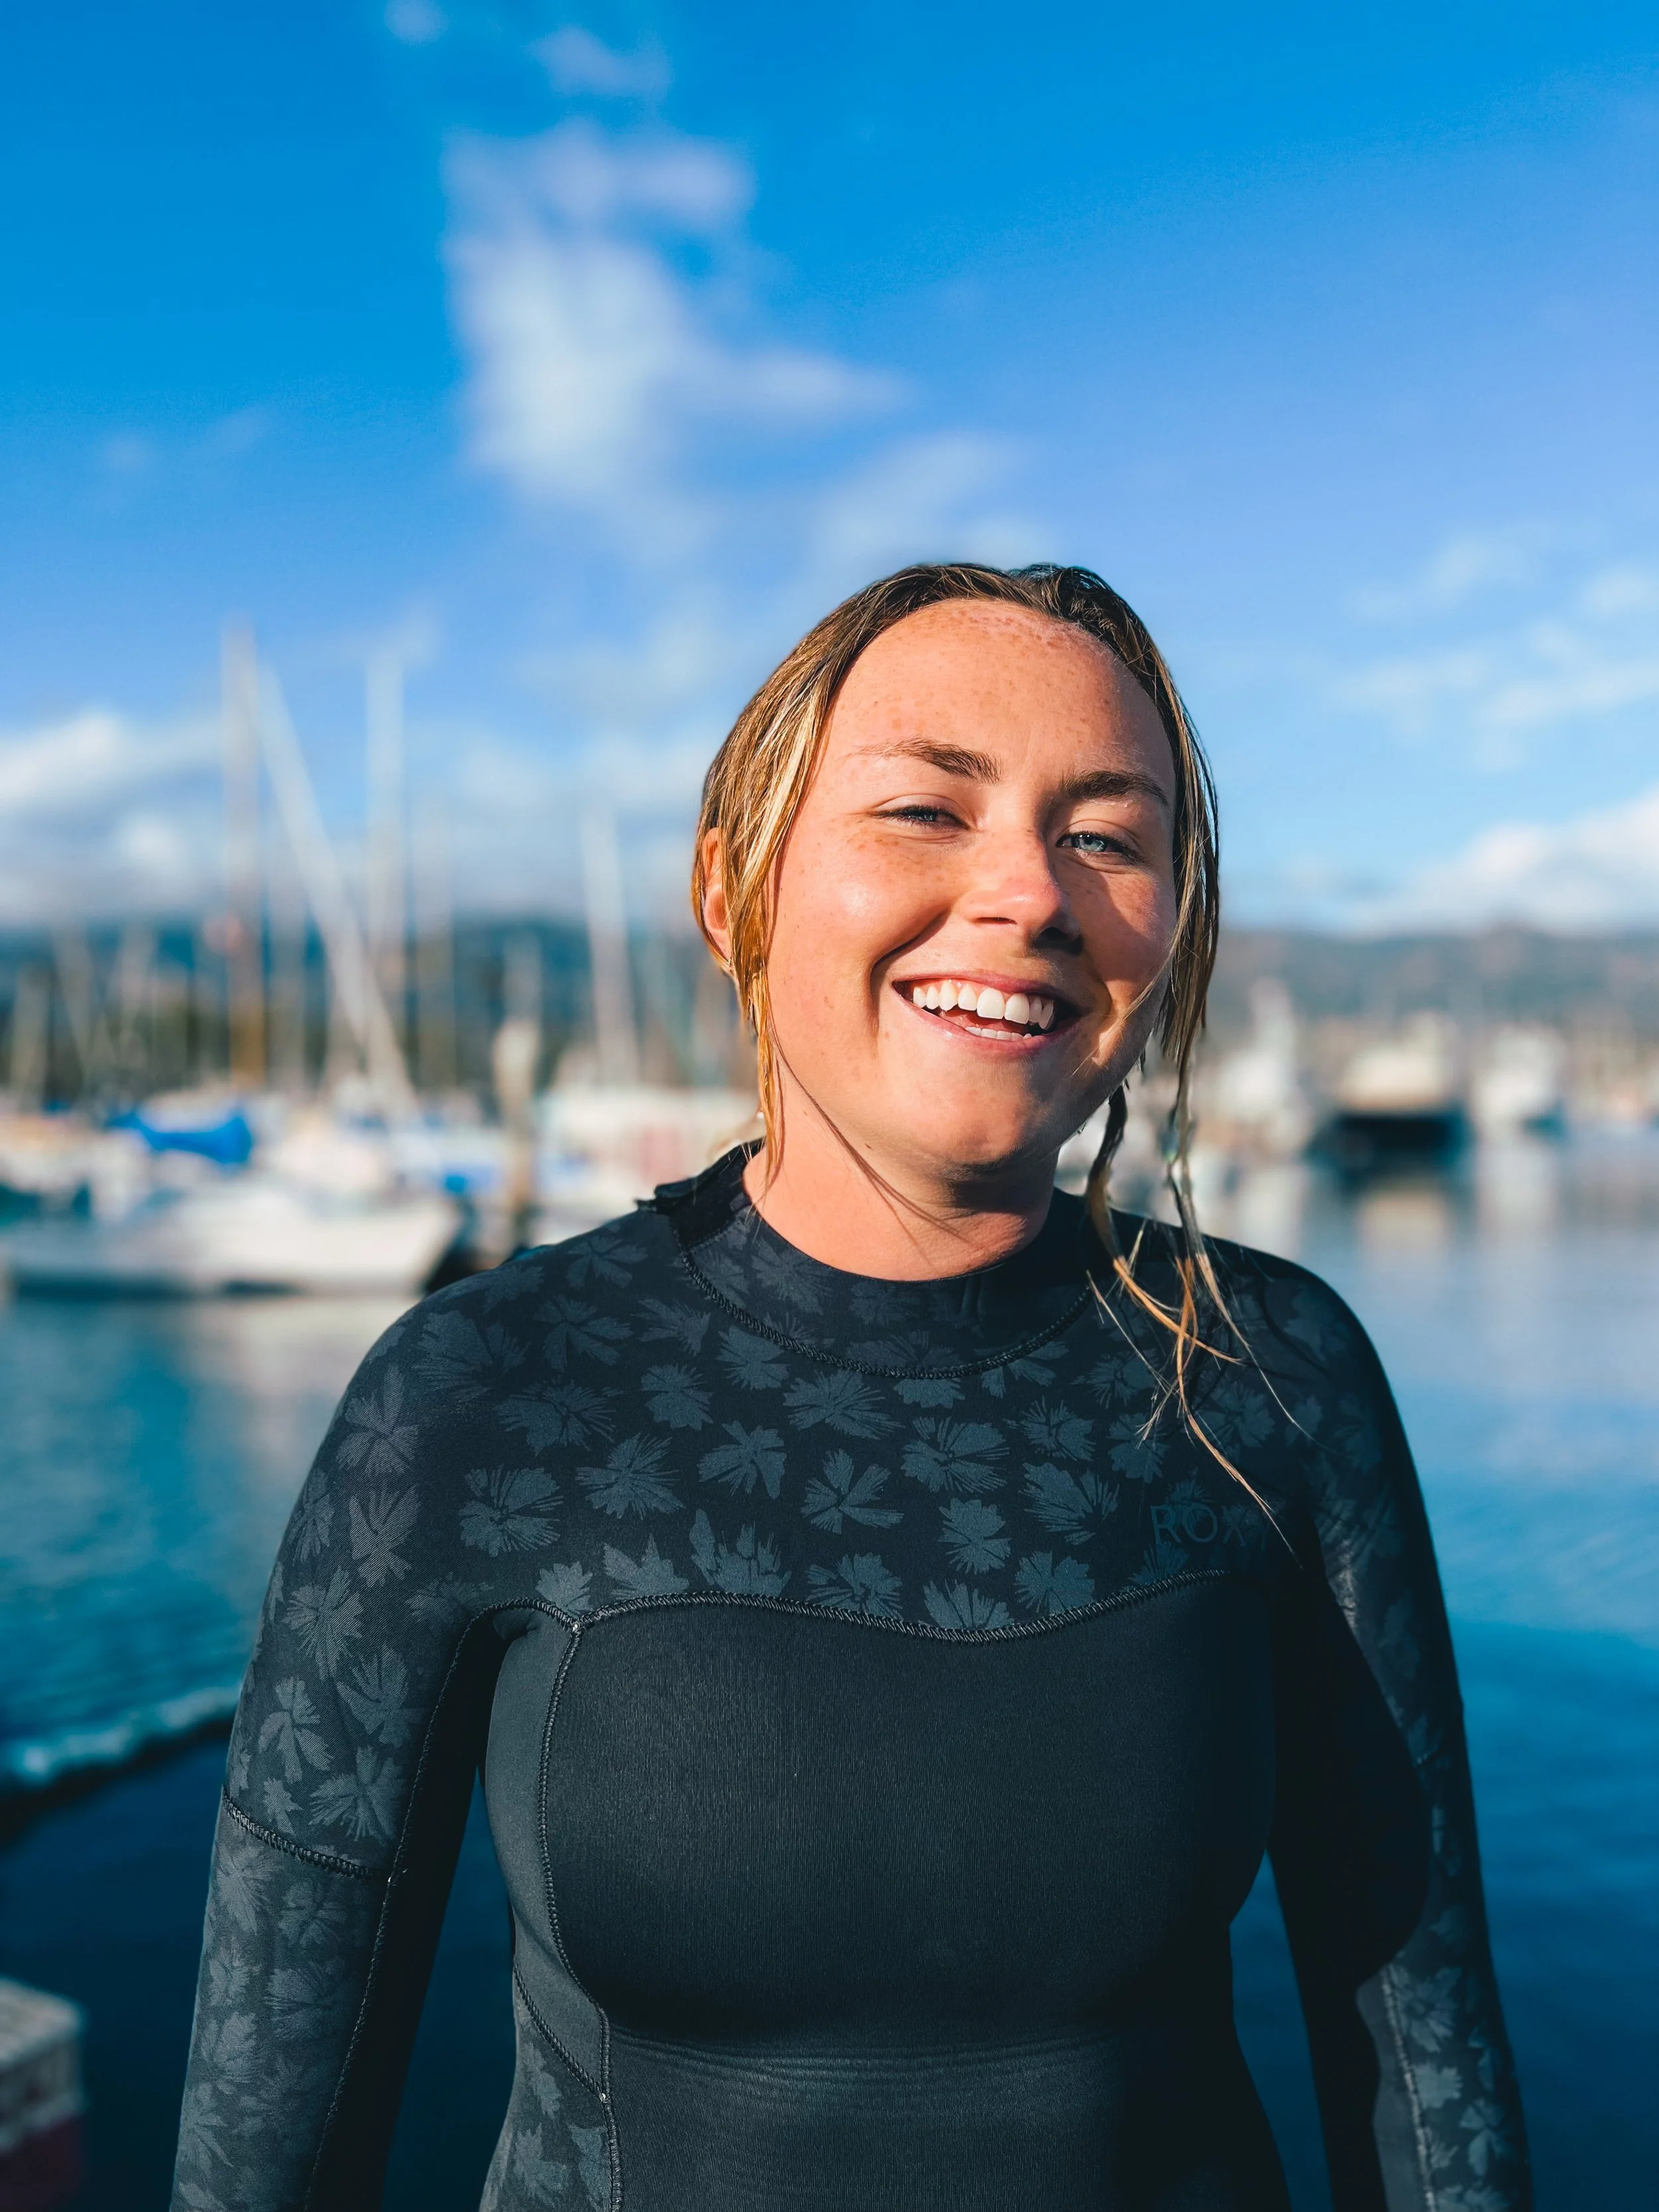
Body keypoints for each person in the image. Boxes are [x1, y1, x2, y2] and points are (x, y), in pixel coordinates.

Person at [171, 563, 1530, 2211]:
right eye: (921, 810)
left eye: (1106, 833)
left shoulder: (1268, 1376)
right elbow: (273, 2109)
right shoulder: (479, 1398)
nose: (1028, 892)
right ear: (730, 885)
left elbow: (1424, 2047)